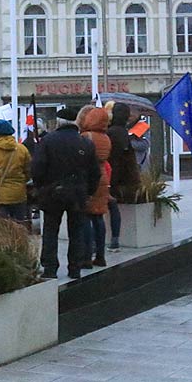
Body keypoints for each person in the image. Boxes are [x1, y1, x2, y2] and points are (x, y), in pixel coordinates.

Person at [32, 107, 100, 280]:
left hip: (52, 193)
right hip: (78, 194)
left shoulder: (47, 141)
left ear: (58, 122)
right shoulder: (85, 143)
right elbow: (95, 172)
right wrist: (88, 191)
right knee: (76, 231)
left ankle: (50, 268)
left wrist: (42, 188)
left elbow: (37, 168)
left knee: (50, 231)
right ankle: (74, 268)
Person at [0, 119, 31, 224]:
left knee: (1, 228)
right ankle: (18, 240)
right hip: (19, 194)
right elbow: (29, 170)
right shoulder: (22, 149)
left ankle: (4, 241)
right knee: (19, 226)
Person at [79, 107, 112, 268]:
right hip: (103, 177)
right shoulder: (106, 137)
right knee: (99, 217)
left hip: (88, 178)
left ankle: (86, 256)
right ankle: (101, 254)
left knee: (85, 217)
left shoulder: (87, 136)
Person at [107, 102, 141, 251]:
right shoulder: (123, 131)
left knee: (108, 207)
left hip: (111, 175)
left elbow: (113, 157)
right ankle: (115, 240)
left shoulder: (111, 132)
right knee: (113, 207)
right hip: (122, 176)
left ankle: (112, 240)